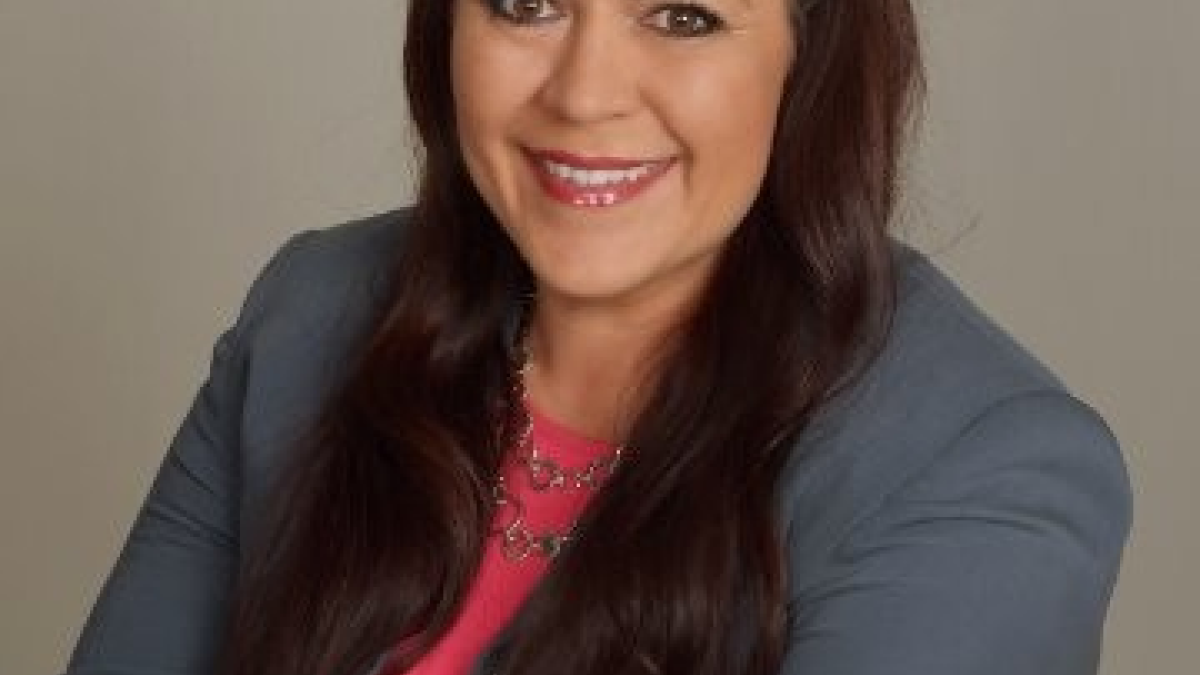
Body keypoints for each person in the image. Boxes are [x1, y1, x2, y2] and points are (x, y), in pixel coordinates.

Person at [64, 0, 1132, 674]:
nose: (582, 93)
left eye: (681, 16)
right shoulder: (309, 317)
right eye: (526, 3)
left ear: (811, 57)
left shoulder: (983, 476)